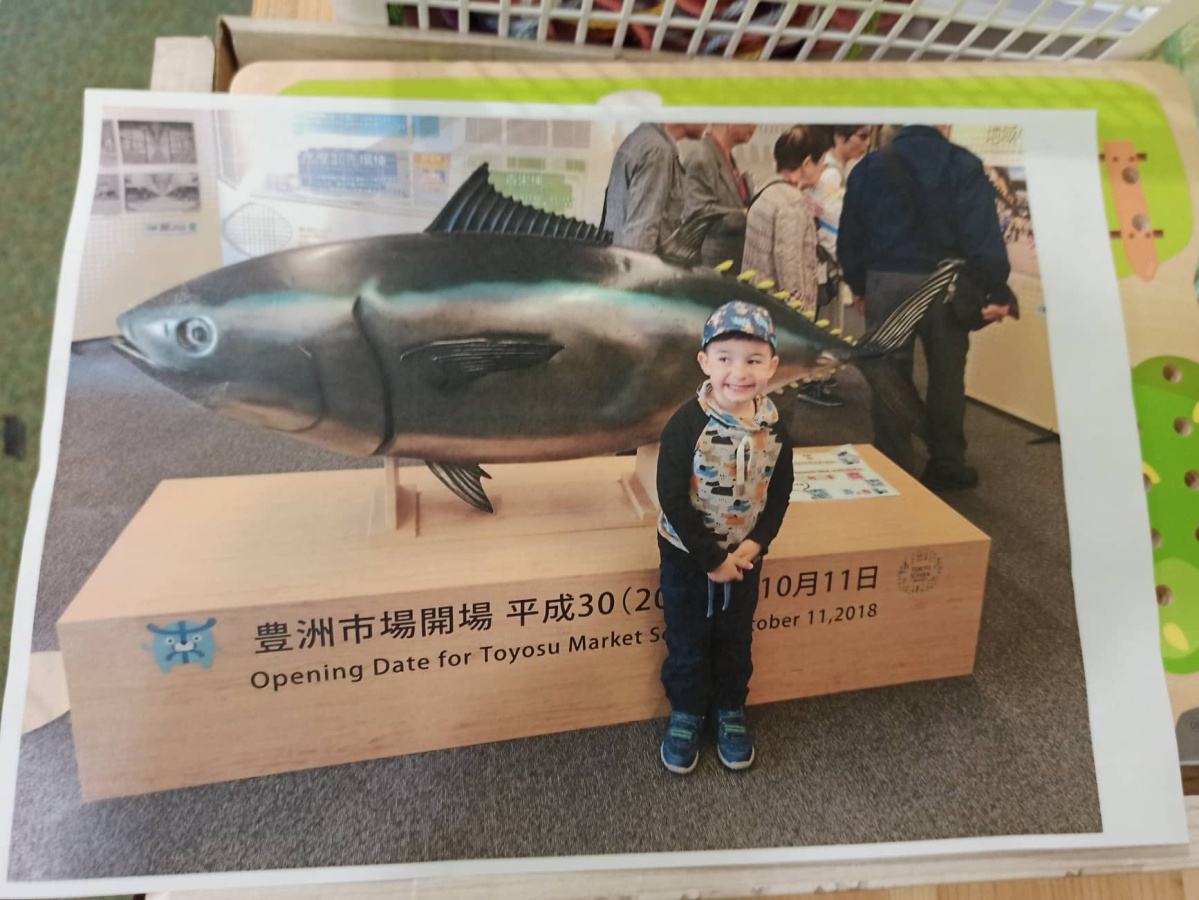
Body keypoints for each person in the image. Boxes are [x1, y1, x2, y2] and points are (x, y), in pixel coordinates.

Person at [656, 300, 795, 774]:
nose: (739, 372)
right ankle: (687, 710)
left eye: (754, 360)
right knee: (687, 638)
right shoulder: (686, 424)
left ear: (772, 366)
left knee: (736, 638)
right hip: (687, 557)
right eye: (725, 358)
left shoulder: (775, 427)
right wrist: (711, 560)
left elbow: (780, 490)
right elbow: (671, 496)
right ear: (704, 362)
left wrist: (758, 543)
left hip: (746, 557)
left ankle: (730, 707)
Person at [838, 124, 1013, 491]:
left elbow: (851, 234)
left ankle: (893, 463)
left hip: (886, 281)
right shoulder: (963, 163)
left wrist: (858, 283)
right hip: (945, 284)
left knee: (887, 371)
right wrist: (995, 289)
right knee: (947, 376)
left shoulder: (869, 166)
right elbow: (983, 234)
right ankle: (947, 463)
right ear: (944, 124)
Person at [741, 125, 841, 407]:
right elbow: (792, 273)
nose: (822, 171)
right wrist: (802, 332)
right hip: (781, 328)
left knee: (756, 403)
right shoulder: (792, 204)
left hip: (755, 317)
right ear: (807, 163)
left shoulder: (765, 193)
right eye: (821, 163)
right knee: (778, 407)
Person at [602, 121, 708, 254]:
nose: (708, 121)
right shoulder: (659, 151)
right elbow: (639, 241)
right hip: (636, 263)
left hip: (617, 260)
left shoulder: (642, 138)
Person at [681, 123, 758, 272]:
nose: (755, 125)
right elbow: (698, 215)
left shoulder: (724, 156)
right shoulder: (701, 157)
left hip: (728, 268)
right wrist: (744, 215)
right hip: (709, 269)